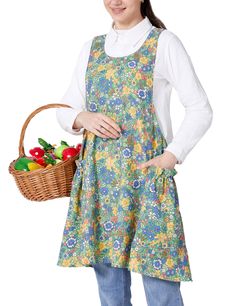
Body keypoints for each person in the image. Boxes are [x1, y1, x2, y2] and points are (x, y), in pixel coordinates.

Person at [56, 0, 213, 305]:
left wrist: (173, 154)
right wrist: (82, 117)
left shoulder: (163, 42)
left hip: (148, 179)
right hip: (102, 184)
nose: (115, 1)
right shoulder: (92, 47)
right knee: (110, 289)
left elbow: (200, 109)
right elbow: (64, 110)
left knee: (160, 285)